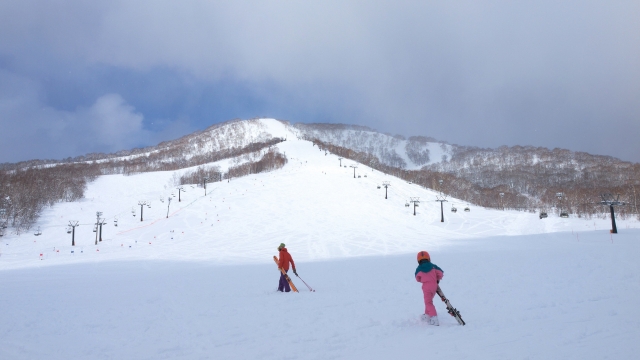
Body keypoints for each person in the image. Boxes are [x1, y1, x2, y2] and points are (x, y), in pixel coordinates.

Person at [415, 251, 444, 325]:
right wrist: (437, 278)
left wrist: (422, 279)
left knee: (428, 302)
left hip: (426, 287)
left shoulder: (419, 268)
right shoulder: (433, 266)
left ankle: (434, 318)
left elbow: (417, 278)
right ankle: (427, 315)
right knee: (428, 301)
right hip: (434, 286)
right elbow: (440, 273)